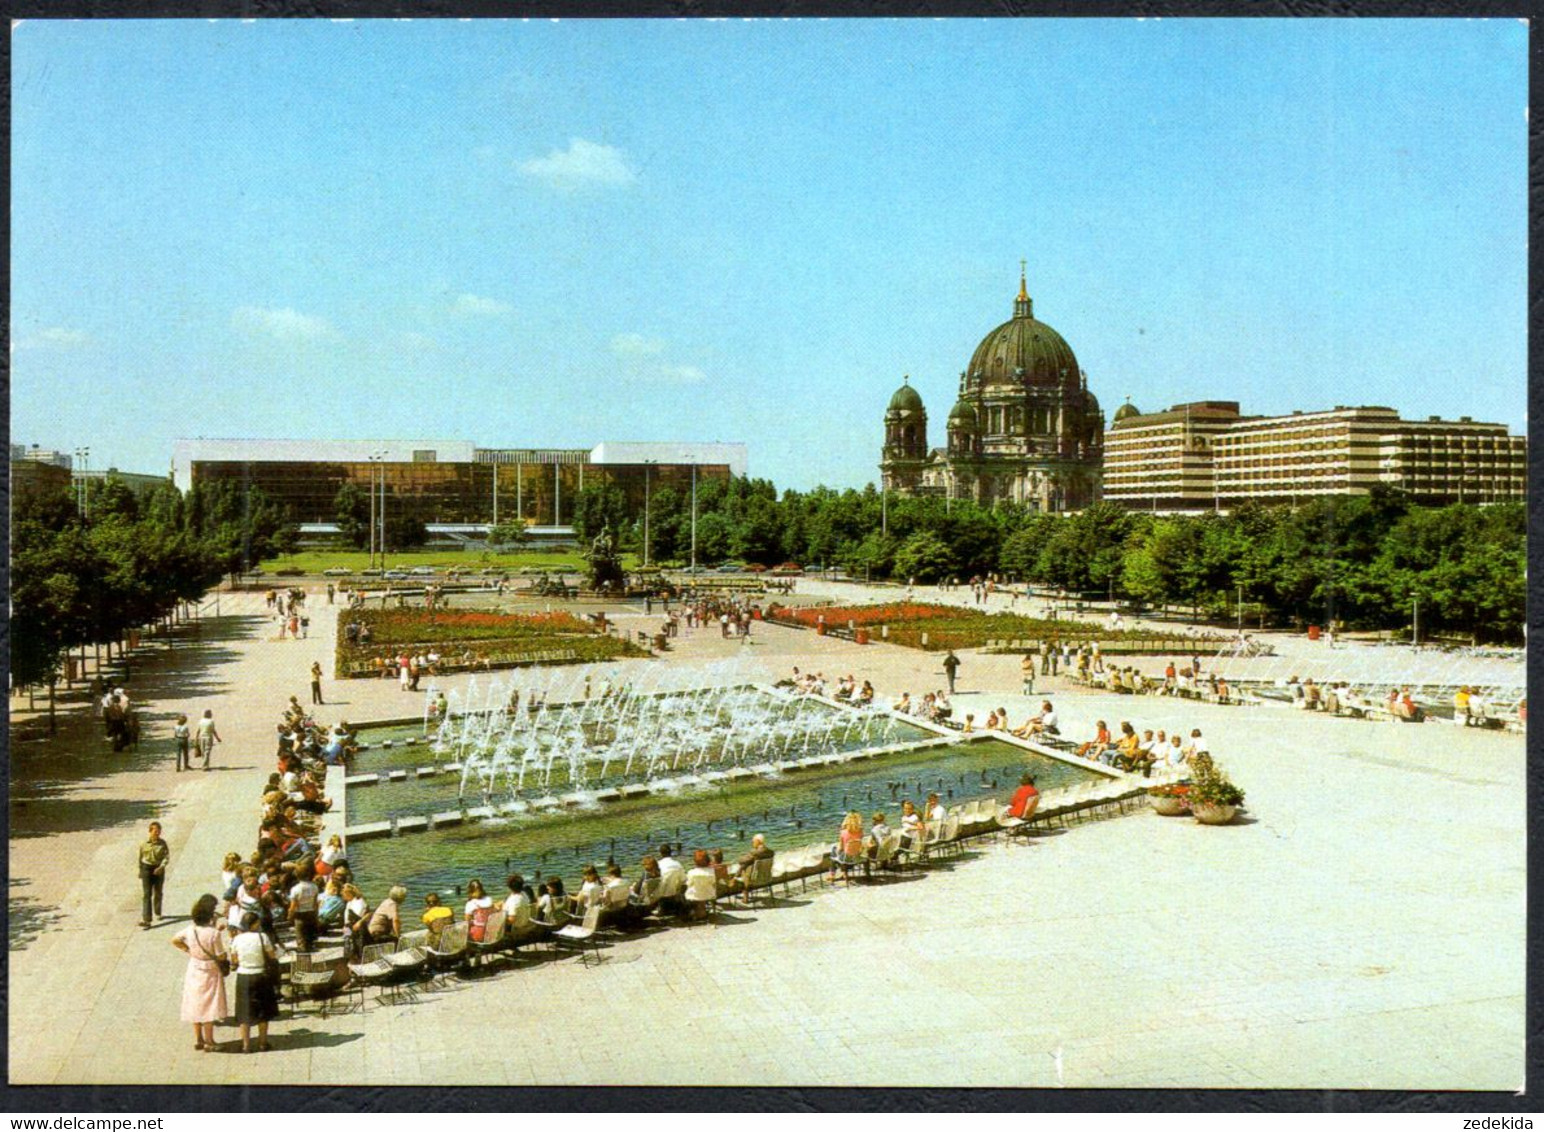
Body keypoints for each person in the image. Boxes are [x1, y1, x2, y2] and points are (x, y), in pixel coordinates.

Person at [172, 894, 229, 1053]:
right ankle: (209, 1041)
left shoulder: (190, 930)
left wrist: (188, 950)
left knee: (195, 1003)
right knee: (209, 1005)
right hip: (210, 971)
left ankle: (198, 1039)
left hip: (194, 968)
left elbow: (175, 939)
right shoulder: (213, 934)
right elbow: (221, 955)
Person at [231, 911, 278, 1053]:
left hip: (244, 975)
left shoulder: (237, 939)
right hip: (261, 975)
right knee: (263, 1010)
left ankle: (245, 1045)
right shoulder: (262, 937)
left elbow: (234, 959)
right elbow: (271, 955)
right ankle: (263, 1043)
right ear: (254, 924)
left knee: (244, 1011)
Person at [138, 821, 169, 927]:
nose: (157, 833)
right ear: (150, 831)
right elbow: (140, 858)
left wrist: (161, 867)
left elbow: (166, 857)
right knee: (147, 894)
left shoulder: (163, 844)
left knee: (158, 892)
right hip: (147, 868)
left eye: (159, 831)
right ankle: (147, 919)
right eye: (155, 831)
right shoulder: (143, 844)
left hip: (158, 868)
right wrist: (140, 871)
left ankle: (158, 911)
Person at [287, 863, 321, 952]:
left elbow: (293, 904)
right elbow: (315, 902)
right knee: (309, 930)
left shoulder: (295, 889)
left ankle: (302, 949)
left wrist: (290, 914)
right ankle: (310, 945)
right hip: (311, 911)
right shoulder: (314, 887)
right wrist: (316, 913)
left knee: (300, 932)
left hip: (300, 913)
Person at [735, 834, 774, 903]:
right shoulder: (770, 852)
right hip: (767, 877)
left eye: (753, 841)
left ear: (758, 841)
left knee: (744, 867)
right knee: (748, 864)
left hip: (755, 878)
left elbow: (741, 860)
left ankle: (745, 897)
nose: (752, 843)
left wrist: (740, 859)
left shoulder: (754, 853)